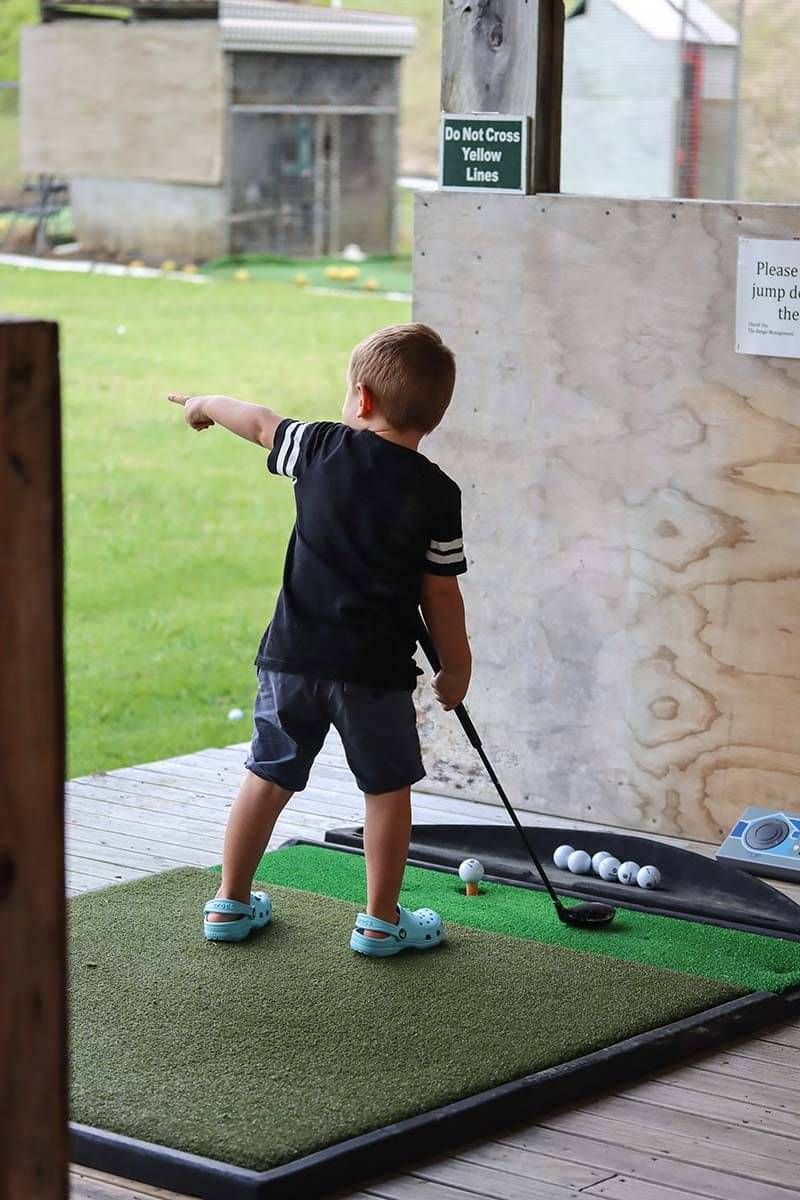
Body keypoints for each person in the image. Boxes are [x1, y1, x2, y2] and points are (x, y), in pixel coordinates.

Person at [168, 323, 471, 957]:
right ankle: (381, 922)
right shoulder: (439, 493)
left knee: (267, 775)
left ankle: (229, 902)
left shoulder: (319, 446)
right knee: (385, 790)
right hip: (375, 674)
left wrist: (203, 403)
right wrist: (456, 667)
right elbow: (440, 592)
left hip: (293, 659)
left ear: (362, 398)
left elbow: (258, 422)